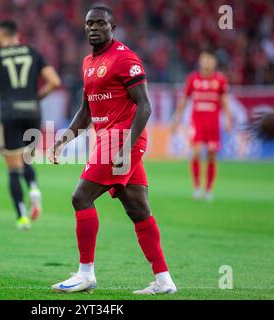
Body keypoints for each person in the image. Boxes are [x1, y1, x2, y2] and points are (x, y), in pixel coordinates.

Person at [47, 6, 177, 295]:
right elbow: (86, 111)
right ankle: (164, 280)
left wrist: (126, 148)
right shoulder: (88, 63)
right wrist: (62, 141)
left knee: (80, 197)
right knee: (138, 209)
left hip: (121, 139)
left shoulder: (125, 58)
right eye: (88, 23)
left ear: (112, 27)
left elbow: (145, 106)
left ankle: (85, 274)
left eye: (100, 23)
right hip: (107, 138)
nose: (93, 28)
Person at [0, 20, 61, 230]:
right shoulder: (33, 52)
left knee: (13, 170)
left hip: (9, 113)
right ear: (18, 35)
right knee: (27, 158)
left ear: (1, 36)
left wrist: (1, 93)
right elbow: (54, 81)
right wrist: (36, 97)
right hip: (32, 111)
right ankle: (34, 188)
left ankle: (22, 217)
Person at [171, 50, 231, 201]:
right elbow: (184, 100)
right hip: (197, 123)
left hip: (213, 124)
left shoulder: (220, 80)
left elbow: (225, 101)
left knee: (211, 155)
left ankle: (209, 189)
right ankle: (197, 188)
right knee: (196, 152)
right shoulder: (193, 79)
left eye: (209, 59)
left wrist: (229, 119)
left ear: (214, 62)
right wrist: (176, 118)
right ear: (200, 61)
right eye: (203, 59)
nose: (206, 62)